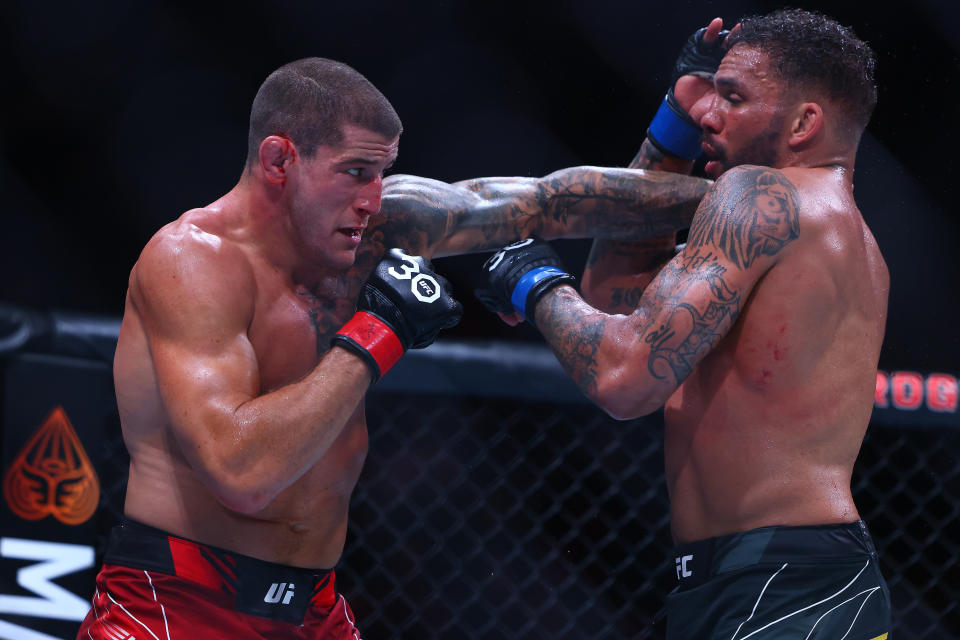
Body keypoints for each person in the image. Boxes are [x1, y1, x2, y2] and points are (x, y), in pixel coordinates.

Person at [76, 57, 712, 639]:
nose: (373, 199)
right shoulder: (193, 264)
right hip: (177, 608)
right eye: (355, 172)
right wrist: (376, 334)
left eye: (382, 173)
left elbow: (553, 203)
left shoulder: (375, 229)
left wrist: (747, 198)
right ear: (279, 161)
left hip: (314, 611)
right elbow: (242, 476)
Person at [478, 9, 892, 640]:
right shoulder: (839, 235)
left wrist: (531, 277)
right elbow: (615, 304)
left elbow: (623, 378)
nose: (708, 114)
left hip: (781, 583)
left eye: (733, 98)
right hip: (783, 579)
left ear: (805, 122)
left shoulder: (759, 197)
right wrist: (671, 123)